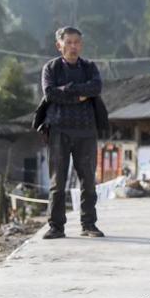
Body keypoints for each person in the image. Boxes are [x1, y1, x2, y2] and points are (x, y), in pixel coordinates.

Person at [40, 26, 104, 239]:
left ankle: (89, 225)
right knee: (57, 182)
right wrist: (78, 94)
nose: (73, 46)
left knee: (88, 179)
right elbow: (50, 94)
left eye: (77, 42)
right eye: (69, 42)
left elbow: (95, 87)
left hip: (86, 131)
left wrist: (66, 90)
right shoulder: (51, 68)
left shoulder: (89, 67)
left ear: (81, 45)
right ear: (59, 45)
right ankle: (56, 227)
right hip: (59, 130)